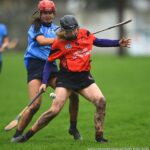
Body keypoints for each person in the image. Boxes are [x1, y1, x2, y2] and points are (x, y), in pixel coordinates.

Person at [16, 15, 131, 143]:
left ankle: (99, 136)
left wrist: (117, 43)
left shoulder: (85, 34)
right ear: (64, 31)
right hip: (66, 79)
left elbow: (98, 41)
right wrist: (44, 82)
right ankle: (27, 135)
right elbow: (49, 63)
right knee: (54, 110)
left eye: (75, 29)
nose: (74, 32)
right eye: (70, 31)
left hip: (84, 77)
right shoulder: (59, 43)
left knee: (101, 101)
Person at [11, 1, 81, 142]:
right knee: (35, 104)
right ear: (40, 14)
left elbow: (68, 42)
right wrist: (61, 39)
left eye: (50, 13)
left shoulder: (57, 29)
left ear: (54, 14)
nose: (48, 16)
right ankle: (17, 135)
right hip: (35, 65)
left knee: (73, 95)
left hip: (51, 66)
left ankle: (73, 127)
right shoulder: (35, 28)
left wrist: (74, 38)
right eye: (45, 13)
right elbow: (42, 41)